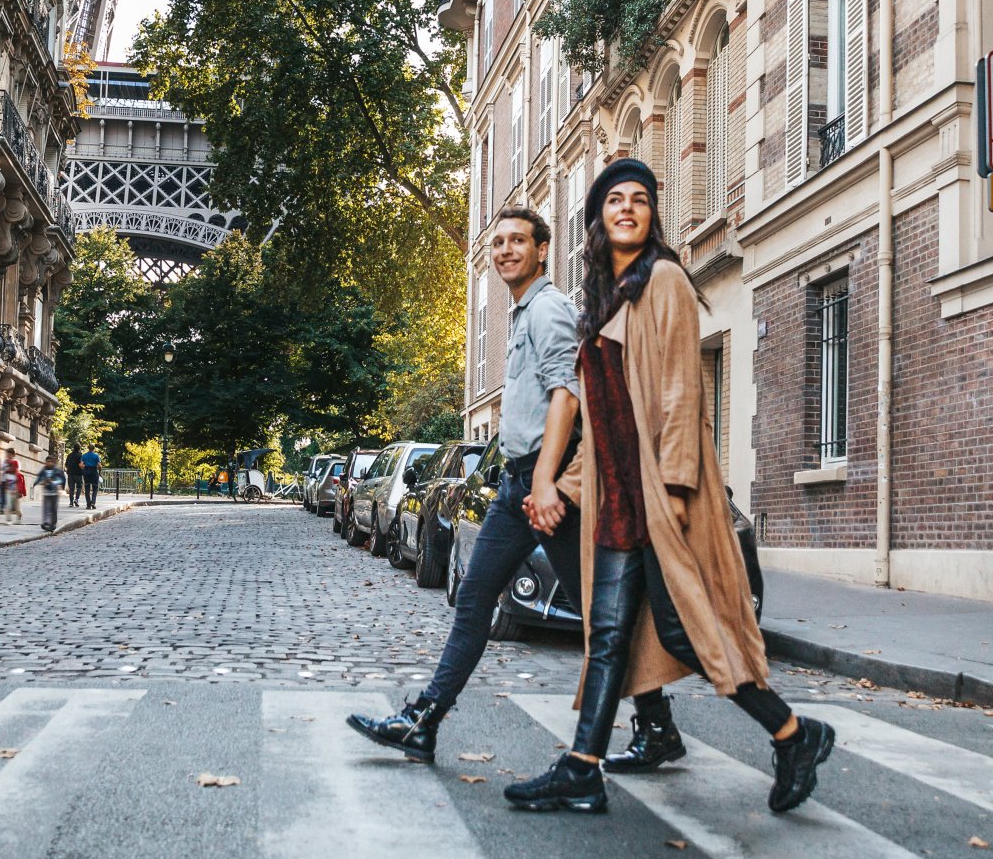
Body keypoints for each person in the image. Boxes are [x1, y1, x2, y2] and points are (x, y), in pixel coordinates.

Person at [503, 159, 833, 817]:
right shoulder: (606, 299)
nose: (628, 208)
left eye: (641, 200)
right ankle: (583, 769)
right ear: (598, 219)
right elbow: (601, 424)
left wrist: (680, 490)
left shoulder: (667, 281)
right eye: (614, 200)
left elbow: (684, 393)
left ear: (652, 216)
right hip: (618, 502)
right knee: (609, 634)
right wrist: (568, 486)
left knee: (688, 633)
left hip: (661, 497)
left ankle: (796, 734)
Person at [347, 205, 682, 766]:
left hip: (547, 486)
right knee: (477, 595)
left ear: (542, 249)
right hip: (517, 482)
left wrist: (547, 482)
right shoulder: (523, 313)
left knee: (600, 615)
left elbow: (566, 395)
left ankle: (658, 727)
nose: (504, 250)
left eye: (518, 241)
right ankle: (425, 721)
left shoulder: (549, 311)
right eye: (497, 242)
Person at [35, 454, 67, 531]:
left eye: (50, 461)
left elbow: (61, 480)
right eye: (47, 461)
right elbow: (39, 478)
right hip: (46, 493)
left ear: (53, 463)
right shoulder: (43, 470)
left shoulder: (57, 471)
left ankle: (53, 523)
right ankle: (46, 522)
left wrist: (53, 482)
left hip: (54, 493)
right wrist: (40, 482)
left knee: (53, 509)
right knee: (46, 508)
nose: (48, 463)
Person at [0, 449, 24, 525]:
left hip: (15, 488)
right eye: (7, 454)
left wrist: (18, 489)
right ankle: (8, 519)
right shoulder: (4, 463)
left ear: (13, 455)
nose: (8, 456)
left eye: (10, 454)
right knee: (8, 505)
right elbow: (3, 473)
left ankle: (19, 515)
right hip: (8, 488)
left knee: (17, 506)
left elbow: (18, 474)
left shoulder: (16, 463)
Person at [81, 443, 102, 509]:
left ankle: (88, 504)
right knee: (95, 488)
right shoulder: (96, 456)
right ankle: (93, 502)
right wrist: (99, 472)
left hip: (86, 471)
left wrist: (84, 468)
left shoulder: (84, 456)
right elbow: (99, 465)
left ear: (88, 448)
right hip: (94, 471)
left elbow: (81, 465)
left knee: (87, 488)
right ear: (94, 448)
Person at [65, 444, 85, 508]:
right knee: (79, 487)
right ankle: (76, 499)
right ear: (79, 448)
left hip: (70, 474)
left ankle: (71, 502)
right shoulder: (80, 456)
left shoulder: (69, 455)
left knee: (71, 488)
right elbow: (82, 465)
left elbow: (66, 464)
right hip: (78, 474)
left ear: (73, 448)